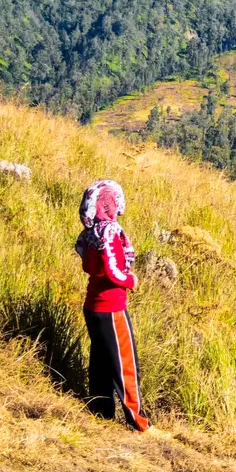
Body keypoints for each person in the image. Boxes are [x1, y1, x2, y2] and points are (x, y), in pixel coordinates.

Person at [75, 179, 152, 432]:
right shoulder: (109, 232)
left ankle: (101, 413)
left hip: (93, 307)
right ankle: (138, 421)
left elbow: (88, 265)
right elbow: (112, 269)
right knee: (124, 364)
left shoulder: (91, 232)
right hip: (111, 308)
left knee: (100, 361)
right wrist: (130, 281)